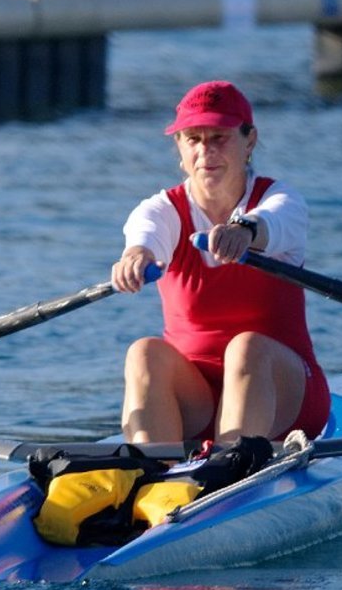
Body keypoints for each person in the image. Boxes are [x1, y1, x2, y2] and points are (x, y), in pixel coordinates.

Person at [110, 80, 330, 464]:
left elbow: (272, 223)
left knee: (246, 347)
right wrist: (137, 255)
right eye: (193, 138)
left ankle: (227, 473)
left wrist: (244, 232)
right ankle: (151, 479)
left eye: (219, 137)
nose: (205, 151)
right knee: (143, 352)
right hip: (195, 403)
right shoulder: (160, 210)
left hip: (285, 400)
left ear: (250, 142)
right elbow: (145, 233)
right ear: (179, 149)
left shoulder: (281, 201)